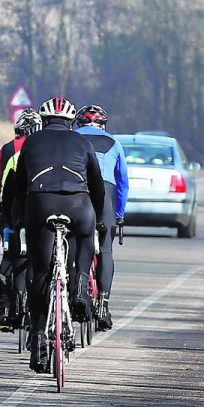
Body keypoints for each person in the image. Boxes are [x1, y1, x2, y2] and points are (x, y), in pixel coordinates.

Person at [11, 96, 105, 373]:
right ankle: (77, 285)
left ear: (45, 118)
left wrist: (18, 218)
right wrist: (97, 219)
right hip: (78, 204)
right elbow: (97, 186)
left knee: (39, 273)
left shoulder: (31, 142)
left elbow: (17, 184)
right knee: (85, 238)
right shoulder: (83, 143)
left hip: (40, 204)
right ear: (71, 121)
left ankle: (39, 340)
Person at [74, 104, 128, 331]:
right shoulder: (114, 143)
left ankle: (75, 292)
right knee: (105, 250)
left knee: (75, 243)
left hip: (78, 193)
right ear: (103, 124)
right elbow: (122, 181)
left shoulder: (72, 138)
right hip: (105, 196)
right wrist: (119, 214)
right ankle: (103, 305)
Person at [0, 108, 43, 331]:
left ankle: (6, 309)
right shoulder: (43, 147)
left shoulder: (8, 149)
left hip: (11, 218)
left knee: (9, 258)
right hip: (39, 215)